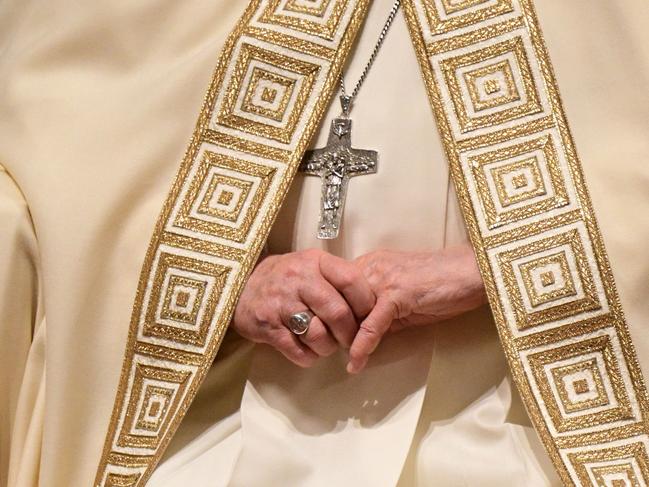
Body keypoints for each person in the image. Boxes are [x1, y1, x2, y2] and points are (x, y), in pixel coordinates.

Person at [2, 1, 649, 486]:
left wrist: (497, 265)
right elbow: (46, 161)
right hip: (222, 417)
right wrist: (224, 279)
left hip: (512, 423)